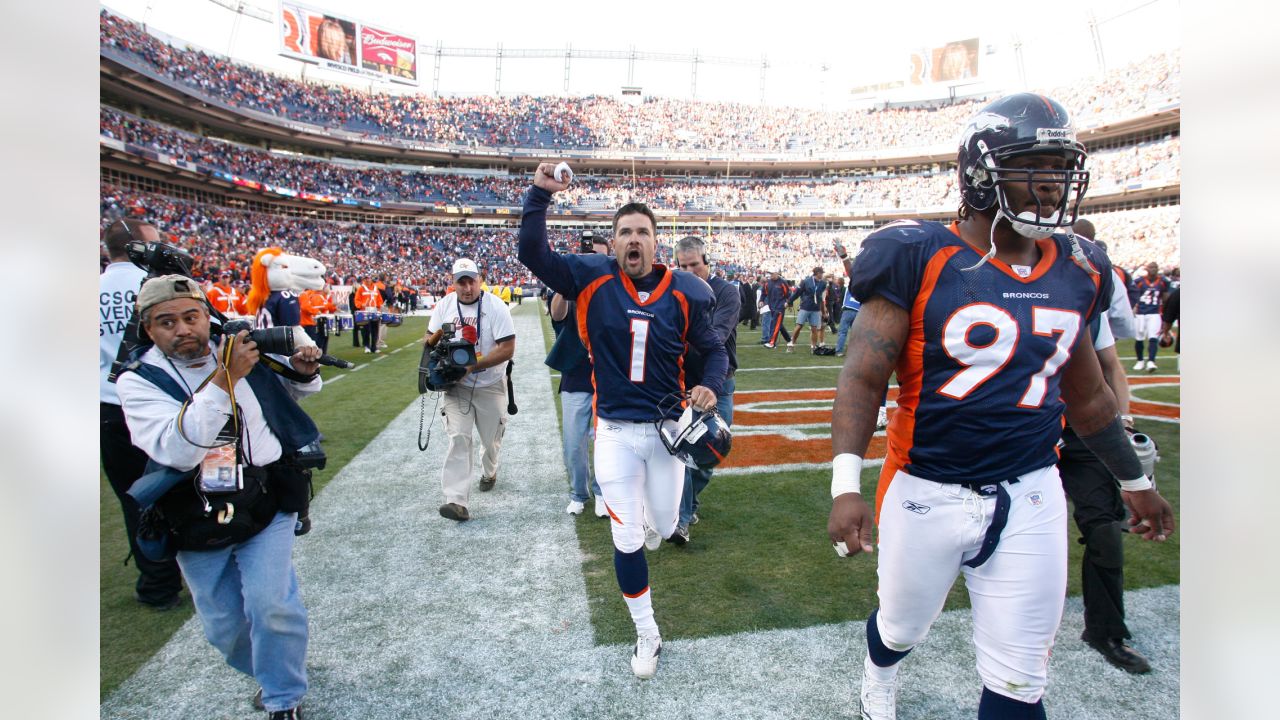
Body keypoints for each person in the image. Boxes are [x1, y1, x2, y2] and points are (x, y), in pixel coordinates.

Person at [826, 94, 1175, 720]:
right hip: (926, 488)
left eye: (1060, 167)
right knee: (901, 629)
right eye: (1035, 166)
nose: (1052, 185)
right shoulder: (917, 253)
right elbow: (862, 377)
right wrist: (844, 485)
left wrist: (1134, 479)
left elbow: (1088, 395)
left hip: (1032, 494)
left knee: (1020, 682)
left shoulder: (1080, 268)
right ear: (982, 172)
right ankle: (880, 669)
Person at [518, 163, 728, 680]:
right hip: (613, 431)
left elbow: (714, 351)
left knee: (659, 522)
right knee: (627, 538)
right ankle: (647, 632)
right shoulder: (590, 277)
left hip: (666, 434)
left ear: (657, 244)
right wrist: (540, 195)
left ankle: (653, 522)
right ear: (612, 243)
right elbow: (532, 252)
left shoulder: (685, 292)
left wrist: (710, 387)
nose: (634, 240)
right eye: (625, 232)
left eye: (643, 232)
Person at [116, 274, 323, 720]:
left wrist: (304, 374)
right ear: (148, 330)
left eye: (191, 317)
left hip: (265, 497)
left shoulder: (235, 346)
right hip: (193, 513)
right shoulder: (138, 382)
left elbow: (283, 396)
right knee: (224, 626)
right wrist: (226, 378)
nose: (183, 329)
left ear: (206, 315)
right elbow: (177, 448)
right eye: (166, 322)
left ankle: (283, 696)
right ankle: (272, 670)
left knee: (272, 605)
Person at [1058, 218, 1153, 674]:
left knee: (1104, 527)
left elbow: (1110, 364)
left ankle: (1106, 630)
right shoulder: (1001, 282)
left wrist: (1124, 418)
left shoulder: (1083, 294)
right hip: (1018, 426)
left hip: (1080, 429)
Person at [99, 219, 184, 610]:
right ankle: (197, 561)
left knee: (134, 497)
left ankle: (158, 583)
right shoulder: (160, 287)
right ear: (141, 246)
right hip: (161, 397)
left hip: (108, 404)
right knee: (183, 484)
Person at [424, 258, 516, 521]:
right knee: (459, 439)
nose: (467, 287)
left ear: (480, 280)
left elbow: (508, 348)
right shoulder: (444, 305)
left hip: (490, 384)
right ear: (453, 283)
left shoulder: (496, 306)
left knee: (491, 442)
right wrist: (438, 343)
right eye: (461, 282)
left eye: (471, 281)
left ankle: (490, 471)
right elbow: (428, 341)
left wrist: (473, 366)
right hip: (456, 386)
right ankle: (456, 500)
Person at [670, 236, 740, 544]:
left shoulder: (727, 292)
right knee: (685, 454)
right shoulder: (672, 292)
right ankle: (681, 519)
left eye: (694, 265)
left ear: (707, 263)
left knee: (710, 455)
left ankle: (689, 504)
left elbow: (717, 336)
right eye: (682, 266)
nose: (688, 271)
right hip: (683, 383)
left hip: (718, 383)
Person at [550, 233, 611, 518]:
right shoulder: (570, 287)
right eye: (589, 257)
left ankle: (601, 491)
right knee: (573, 443)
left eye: (600, 257)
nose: (594, 262)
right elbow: (557, 314)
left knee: (605, 442)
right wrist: (567, 282)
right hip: (576, 374)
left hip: (608, 376)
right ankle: (578, 492)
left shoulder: (615, 289)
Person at [1131, 262, 1169, 372]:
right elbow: (1133, 295)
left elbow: (1166, 298)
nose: (1153, 269)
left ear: (1158, 269)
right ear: (1147, 269)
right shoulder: (1139, 281)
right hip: (1140, 313)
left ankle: (1151, 361)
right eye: (1151, 267)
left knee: (1153, 338)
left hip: (1154, 313)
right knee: (1139, 338)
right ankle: (1140, 361)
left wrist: (1165, 313)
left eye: (1155, 267)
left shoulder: (1163, 282)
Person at [787, 266, 829, 352]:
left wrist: (823, 312)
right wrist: (789, 301)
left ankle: (813, 347)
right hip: (805, 306)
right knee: (799, 326)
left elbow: (821, 299)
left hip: (816, 308)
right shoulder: (806, 281)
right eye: (821, 273)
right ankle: (791, 343)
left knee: (814, 328)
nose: (822, 275)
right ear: (817, 273)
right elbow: (797, 293)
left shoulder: (823, 284)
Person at [299, 286, 336, 354]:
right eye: (327, 287)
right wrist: (316, 311)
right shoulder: (312, 295)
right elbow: (311, 307)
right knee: (317, 340)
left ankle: (322, 355)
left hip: (314, 321)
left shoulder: (321, 296)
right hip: (312, 322)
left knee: (323, 338)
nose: (329, 289)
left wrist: (333, 306)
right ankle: (319, 356)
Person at [761, 269, 792, 349]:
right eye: (770, 273)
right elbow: (764, 292)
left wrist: (788, 303)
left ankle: (772, 343)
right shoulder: (768, 282)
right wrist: (761, 300)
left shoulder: (782, 282)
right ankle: (789, 339)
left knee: (774, 324)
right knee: (779, 324)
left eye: (772, 273)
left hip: (780, 306)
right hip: (771, 306)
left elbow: (788, 294)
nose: (771, 275)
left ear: (777, 273)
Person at [354, 275, 383, 354]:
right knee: (366, 330)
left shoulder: (375, 288)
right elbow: (356, 300)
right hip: (365, 311)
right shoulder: (361, 288)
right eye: (366, 278)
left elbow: (379, 299)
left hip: (374, 310)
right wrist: (361, 305)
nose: (367, 280)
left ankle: (374, 347)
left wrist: (380, 306)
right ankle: (367, 346)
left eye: (368, 278)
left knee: (375, 329)